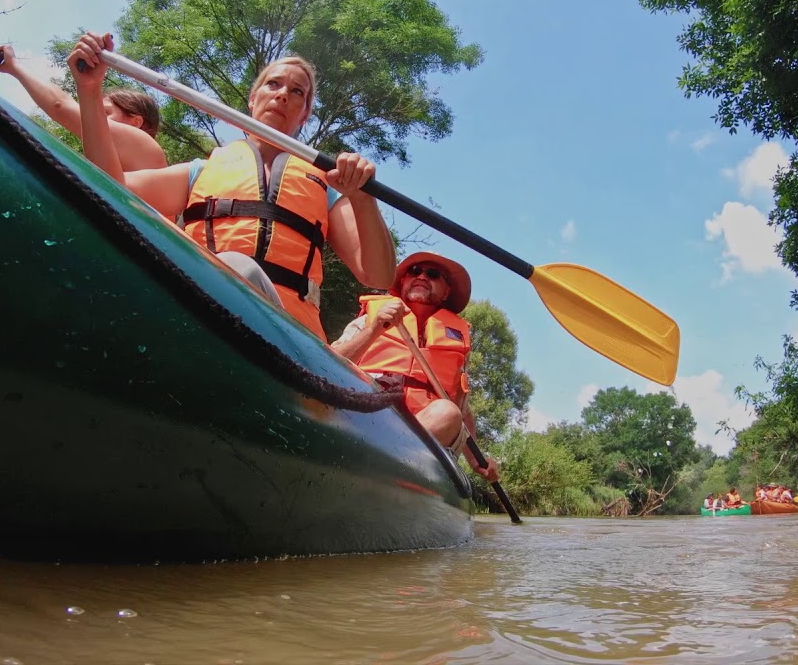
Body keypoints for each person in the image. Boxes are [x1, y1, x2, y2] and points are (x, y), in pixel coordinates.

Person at [67, 33, 395, 339]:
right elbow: (112, 189)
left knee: (240, 270)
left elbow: (378, 275)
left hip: (292, 336)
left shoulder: (326, 186)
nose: (282, 94)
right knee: (234, 269)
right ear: (253, 99)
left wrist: (363, 199)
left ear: (305, 113)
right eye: (273, 84)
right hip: (202, 311)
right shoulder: (202, 171)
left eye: (297, 92)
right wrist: (90, 90)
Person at [332, 252, 498, 482]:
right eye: (414, 271)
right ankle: (379, 464)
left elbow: (464, 408)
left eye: (432, 274)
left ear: (446, 292)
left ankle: (380, 465)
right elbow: (329, 361)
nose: (421, 276)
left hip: (427, 430)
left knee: (448, 412)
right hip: (369, 417)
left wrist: (476, 460)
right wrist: (374, 331)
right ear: (403, 282)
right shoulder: (370, 319)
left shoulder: (457, 343)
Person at [0, 44, 168, 173]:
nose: (92, 118)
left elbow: (61, 106)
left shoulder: (146, 148)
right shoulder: (113, 172)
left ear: (135, 122)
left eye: (105, 112)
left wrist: (14, 65)